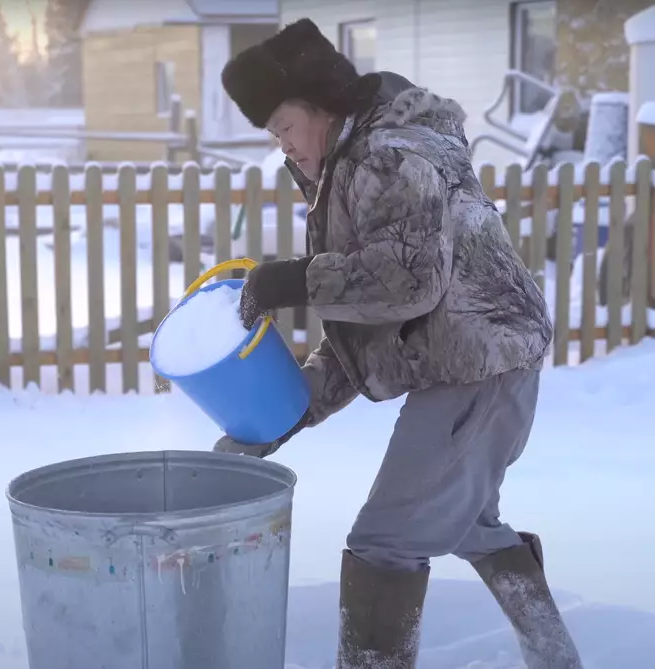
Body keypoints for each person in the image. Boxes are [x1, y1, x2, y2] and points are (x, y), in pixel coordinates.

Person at [215, 18, 584, 669]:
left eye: (284, 127)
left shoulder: (386, 155)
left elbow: (407, 279)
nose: (282, 147)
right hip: (482, 358)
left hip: (479, 360)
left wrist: (291, 279)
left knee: (384, 540)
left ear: (320, 105)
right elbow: (361, 331)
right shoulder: (351, 165)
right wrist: (281, 412)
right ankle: (554, 654)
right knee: (468, 518)